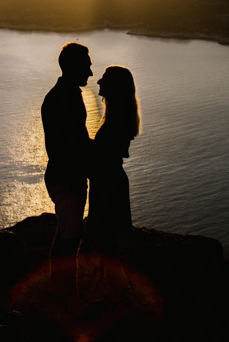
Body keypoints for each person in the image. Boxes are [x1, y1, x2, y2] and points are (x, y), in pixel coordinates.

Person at [41, 42, 93, 308]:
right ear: (72, 66)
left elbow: (77, 139)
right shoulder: (63, 97)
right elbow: (68, 145)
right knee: (71, 239)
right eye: (86, 66)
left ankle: (55, 288)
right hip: (66, 177)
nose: (91, 73)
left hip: (65, 175)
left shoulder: (68, 92)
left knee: (65, 236)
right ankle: (71, 298)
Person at [87, 65, 140, 304]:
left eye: (104, 79)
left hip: (108, 186)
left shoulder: (117, 120)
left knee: (107, 243)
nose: (98, 82)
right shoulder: (119, 116)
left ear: (115, 86)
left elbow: (105, 157)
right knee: (108, 243)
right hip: (110, 183)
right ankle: (120, 292)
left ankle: (118, 295)